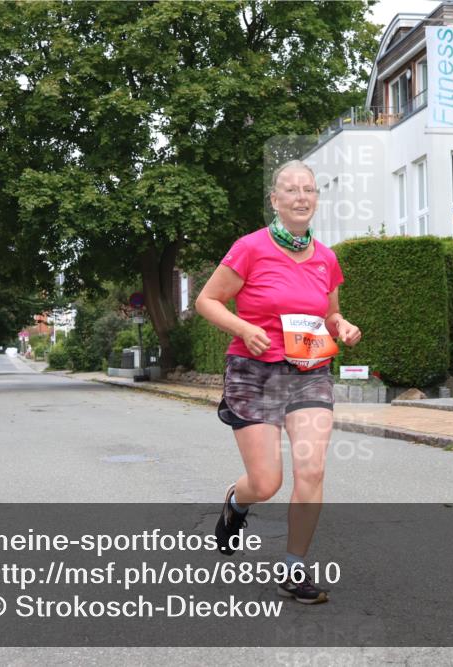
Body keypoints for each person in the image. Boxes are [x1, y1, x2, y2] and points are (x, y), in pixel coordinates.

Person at [195, 160, 361, 605]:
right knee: (266, 482)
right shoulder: (250, 248)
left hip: (309, 372)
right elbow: (207, 300)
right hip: (255, 372)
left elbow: (329, 314)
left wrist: (342, 327)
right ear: (275, 199)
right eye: (291, 190)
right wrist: (242, 328)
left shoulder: (326, 257)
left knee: (312, 469)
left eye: (309, 189)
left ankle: (294, 567)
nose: (301, 197)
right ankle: (236, 502)